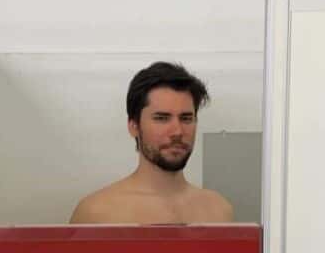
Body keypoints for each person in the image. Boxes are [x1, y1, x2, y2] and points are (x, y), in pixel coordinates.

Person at [69, 61, 234, 224]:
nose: (177, 131)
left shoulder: (219, 211)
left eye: (186, 118)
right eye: (161, 118)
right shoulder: (96, 214)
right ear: (134, 126)